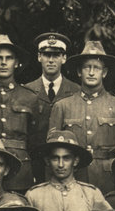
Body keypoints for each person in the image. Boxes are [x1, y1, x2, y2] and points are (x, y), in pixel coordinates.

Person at [49, 40, 115, 194]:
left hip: (107, 179)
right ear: (79, 72)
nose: (91, 72)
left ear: (104, 72)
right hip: (73, 176)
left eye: (97, 68)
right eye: (87, 67)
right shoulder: (62, 106)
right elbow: (52, 151)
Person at [25, 129, 109, 211]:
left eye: (66, 158)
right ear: (47, 161)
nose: (60, 164)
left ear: (75, 161)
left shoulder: (92, 194)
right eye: (55, 158)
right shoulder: (34, 196)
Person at [0, 34, 38, 191]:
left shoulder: (29, 97)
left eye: (9, 58)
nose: (3, 62)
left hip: (20, 170)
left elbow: (35, 141)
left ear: (16, 63)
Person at [23, 32, 80, 181]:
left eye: (56, 55)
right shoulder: (27, 91)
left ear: (64, 58)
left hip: (65, 166)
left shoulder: (76, 91)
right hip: (35, 165)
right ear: (39, 57)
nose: (51, 60)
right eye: (46, 55)